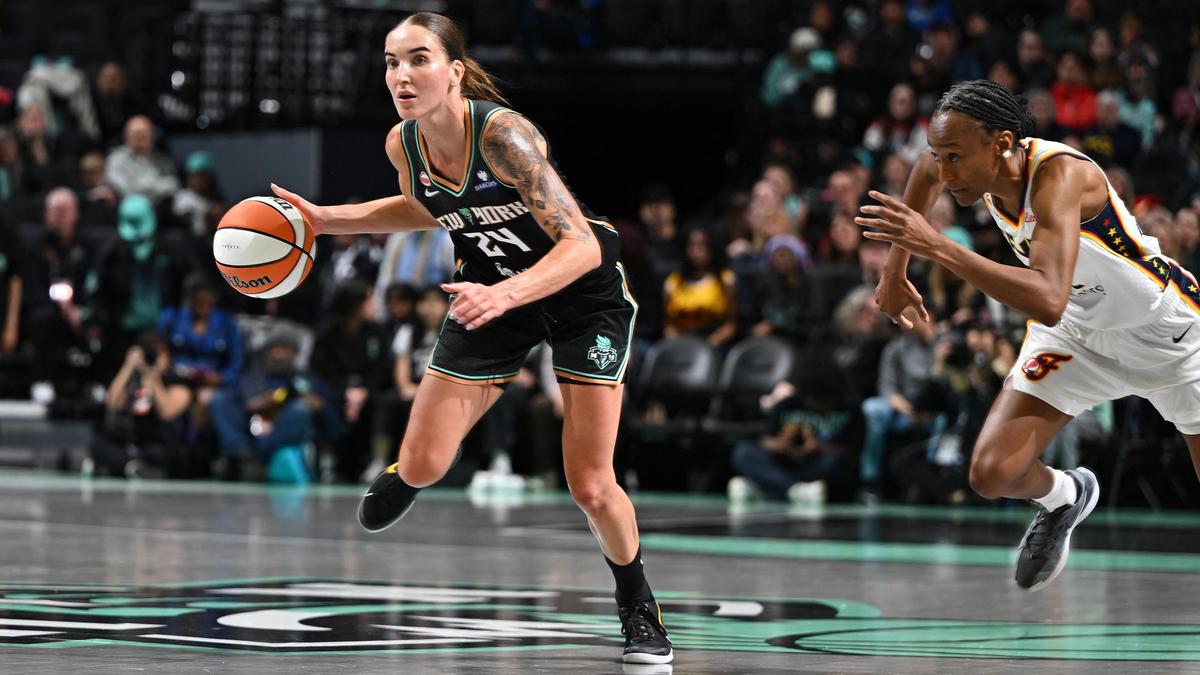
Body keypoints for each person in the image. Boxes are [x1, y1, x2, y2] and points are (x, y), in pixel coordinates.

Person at [268, 12, 670, 664]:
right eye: (392, 62)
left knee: (590, 484)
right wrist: (327, 219)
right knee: (425, 462)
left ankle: (638, 605)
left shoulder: (503, 136)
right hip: (490, 293)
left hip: (578, 296)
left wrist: (507, 292)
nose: (401, 75)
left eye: (418, 59)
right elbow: (427, 207)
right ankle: (407, 471)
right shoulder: (404, 145)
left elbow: (582, 244)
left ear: (454, 72)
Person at [856, 80, 1200, 592]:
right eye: (940, 155)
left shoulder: (1060, 175)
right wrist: (894, 270)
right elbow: (925, 170)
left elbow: (1046, 297)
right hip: (1076, 334)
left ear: (1000, 144)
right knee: (991, 472)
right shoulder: (960, 163)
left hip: (1167, 335)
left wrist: (938, 247)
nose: (945, 172)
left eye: (955, 158)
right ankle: (1065, 496)